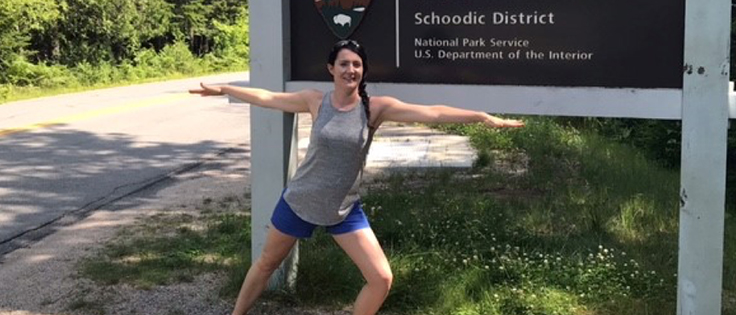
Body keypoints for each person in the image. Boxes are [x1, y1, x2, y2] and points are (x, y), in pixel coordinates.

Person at [190, 39, 523, 315]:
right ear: (331, 69)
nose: (351, 69)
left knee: (381, 278)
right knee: (265, 265)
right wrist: (224, 89)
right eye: (344, 63)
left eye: (357, 65)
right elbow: (268, 98)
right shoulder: (314, 101)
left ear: (363, 71)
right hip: (300, 200)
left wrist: (480, 117)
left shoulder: (375, 108)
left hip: (343, 209)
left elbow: (434, 112)